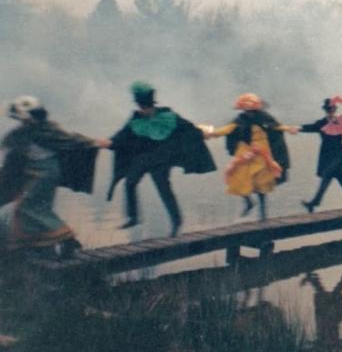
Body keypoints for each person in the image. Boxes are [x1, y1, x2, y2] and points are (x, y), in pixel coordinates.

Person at [106, 81, 216, 236]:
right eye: (142, 107)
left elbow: (188, 128)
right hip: (142, 158)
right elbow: (122, 135)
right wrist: (109, 142)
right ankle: (133, 217)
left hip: (161, 159)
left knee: (163, 189)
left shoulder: (168, 116)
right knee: (130, 182)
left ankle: (176, 221)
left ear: (151, 104)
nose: (144, 110)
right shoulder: (136, 119)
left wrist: (203, 133)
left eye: (146, 107)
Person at [0, 96, 104, 258]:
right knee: (29, 210)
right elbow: (11, 152)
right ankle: (39, 245)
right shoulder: (24, 132)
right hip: (36, 175)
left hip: (45, 175)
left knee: (29, 207)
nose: (23, 120)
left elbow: (70, 139)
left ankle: (68, 239)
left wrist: (94, 142)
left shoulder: (44, 130)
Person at [204, 93, 291, 219]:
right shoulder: (240, 120)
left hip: (262, 152)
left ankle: (263, 214)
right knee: (237, 176)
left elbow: (277, 127)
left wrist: (291, 129)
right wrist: (210, 133)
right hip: (245, 152)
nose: (249, 113)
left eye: (251, 110)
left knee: (261, 181)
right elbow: (226, 129)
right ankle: (248, 202)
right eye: (246, 110)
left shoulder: (265, 117)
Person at [290, 96, 342, 213]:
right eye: (328, 110)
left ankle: (314, 203)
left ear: (335, 110)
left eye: (332, 109)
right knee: (340, 179)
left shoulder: (341, 122)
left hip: (339, 155)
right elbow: (310, 127)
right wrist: (298, 128)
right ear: (325, 110)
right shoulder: (321, 123)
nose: (330, 112)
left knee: (328, 175)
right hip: (327, 156)